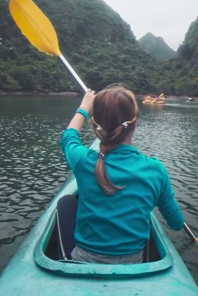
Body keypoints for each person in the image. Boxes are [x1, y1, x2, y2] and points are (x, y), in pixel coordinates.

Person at [60, 84, 185, 264]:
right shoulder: (155, 170)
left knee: (66, 203)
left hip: (84, 260)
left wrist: (84, 108)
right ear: (136, 123)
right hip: (133, 263)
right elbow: (176, 223)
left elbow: (68, 137)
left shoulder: (83, 160)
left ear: (95, 126)